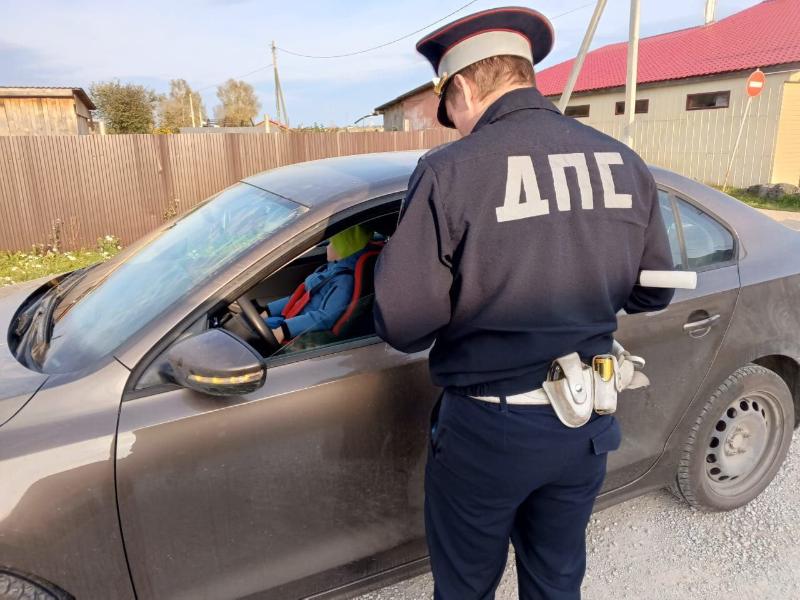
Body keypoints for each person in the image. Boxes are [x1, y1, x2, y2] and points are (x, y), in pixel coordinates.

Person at [372, 6, 674, 600]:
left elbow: (404, 325)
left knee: (466, 588)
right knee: (557, 579)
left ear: (459, 85)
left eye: (448, 111)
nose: (454, 126)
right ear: (524, 72)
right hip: (584, 421)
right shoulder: (623, 162)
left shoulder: (450, 172)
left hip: (490, 431)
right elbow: (655, 288)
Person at [264, 224, 373, 343]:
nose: (327, 246)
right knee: (250, 325)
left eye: (332, 243)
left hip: (301, 332)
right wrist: (268, 311)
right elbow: (300, 297)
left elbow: (326, 316)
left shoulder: (344, 281)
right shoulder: (331, 269)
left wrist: (284, 330)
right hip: (292, 319)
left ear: (343, 248)